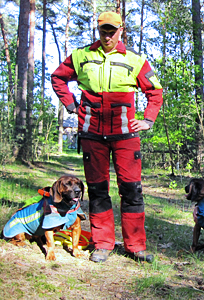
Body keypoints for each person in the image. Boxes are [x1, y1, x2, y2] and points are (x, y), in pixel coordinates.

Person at [51, 11, 163, 263]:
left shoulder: (135, 60)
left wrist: (147, 120)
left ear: (121, 30)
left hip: (125, 136)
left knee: (132, 190)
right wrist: (70, 105)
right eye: (103, 31)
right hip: (91, 134)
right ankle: (103, 244)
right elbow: (58, 77)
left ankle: (136, 246)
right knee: (98, 190)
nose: (108, 36)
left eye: (112, 31)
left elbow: (155, 92)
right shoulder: (81, 56)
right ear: (98, 30)